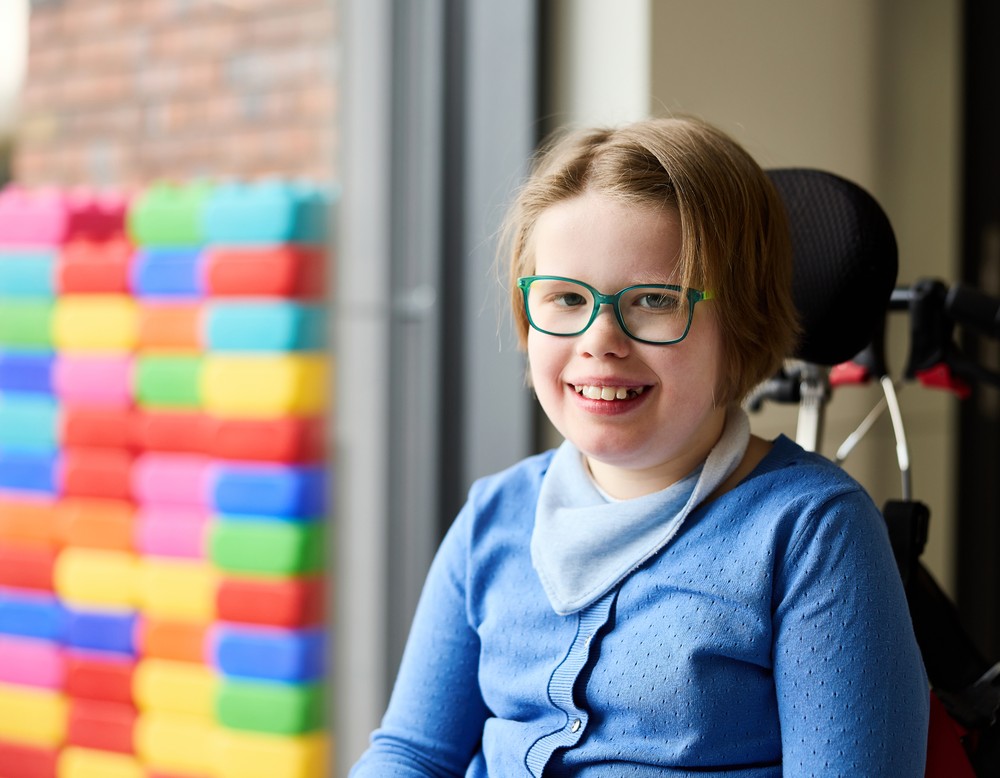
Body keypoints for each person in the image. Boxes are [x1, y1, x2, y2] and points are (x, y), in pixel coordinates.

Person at [350, 116, 929, 776]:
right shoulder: (494, 516)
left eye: (654, 299)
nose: (600, 339)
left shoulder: (812, 534)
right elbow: (411, 754)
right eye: (566, 297)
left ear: (739, 323)